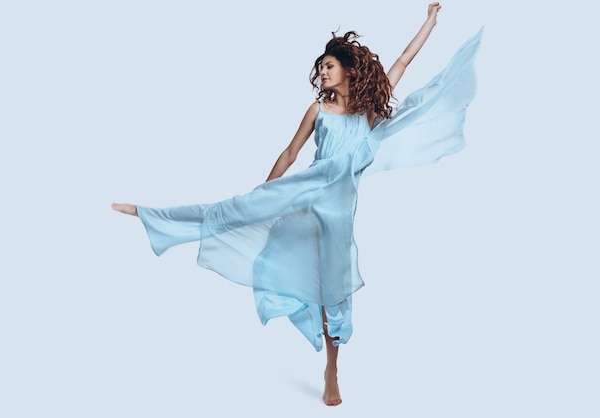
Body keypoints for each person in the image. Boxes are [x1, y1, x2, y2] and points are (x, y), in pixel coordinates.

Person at [112, 2, 481, 406]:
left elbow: (405, 61)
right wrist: (264, 194)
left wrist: (428, 21)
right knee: (234, 209)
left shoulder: (369, 112)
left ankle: (332, 370)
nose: (322, 72)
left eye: (329, 66)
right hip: (306, 193)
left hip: (339, 210)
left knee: (335, 291)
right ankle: (153, 216)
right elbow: (289, 154)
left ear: (347, 70)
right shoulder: (317, 109)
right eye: (320, 67)